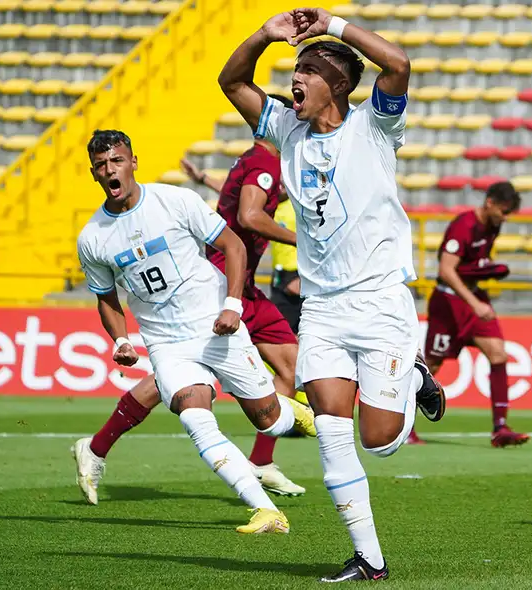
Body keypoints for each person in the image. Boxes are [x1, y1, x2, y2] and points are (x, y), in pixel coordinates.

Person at [220, 7, 446, 581]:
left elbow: (397, 63)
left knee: (380, 440)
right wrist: (262, 37)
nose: (295, 76)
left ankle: (414, 377)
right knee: (332, 433)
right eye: (294, 67)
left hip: (380, 301)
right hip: (322, 307)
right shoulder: (285, 129)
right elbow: (232, 81)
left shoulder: (375, 126)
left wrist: (330, 24)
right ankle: (369, 558)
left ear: (339, 85)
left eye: (309, 69)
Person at [75, 129, 316, 534]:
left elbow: (234, 245)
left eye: (117, 161)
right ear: (94, 173)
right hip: (167, 344)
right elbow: (106, 298)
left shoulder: (175, 200)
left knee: (270, 421)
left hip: (215, 328)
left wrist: (233, 306)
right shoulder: (92, 238)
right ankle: (265, 510)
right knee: (195, 417)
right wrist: (121, 339)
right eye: (101, 165)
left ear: (134, 162)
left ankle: (298, 413)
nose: (110, 170)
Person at [414, 181, 528, 448]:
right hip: (450, 302)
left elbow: (469, 265)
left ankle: (500, 428)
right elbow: (446, 270)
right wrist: (474, 302)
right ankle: (404, 426)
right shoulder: (463, 226)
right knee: (431, 366)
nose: (505, 217)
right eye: (503, 211)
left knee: (498, 355)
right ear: (490, 202)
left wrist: (484, 271)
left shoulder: (493, 225)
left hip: (473, 297)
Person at [269, 197, 302, 334]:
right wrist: (204, 179)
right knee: (279, 334)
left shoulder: (298, 202)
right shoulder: (270, 203)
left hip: (297, 273)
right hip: (279, 274)